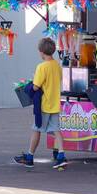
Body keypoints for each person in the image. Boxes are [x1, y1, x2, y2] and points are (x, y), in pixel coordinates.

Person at [14, 38, 67, 170]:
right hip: (55, 103)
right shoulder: (57, 66)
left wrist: (28, 87)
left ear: (41, 52)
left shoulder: (42, 67)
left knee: (36, 129)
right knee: (57, 131)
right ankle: (61, 156)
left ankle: (30, 157)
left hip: (44, 104)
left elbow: (36, 86)